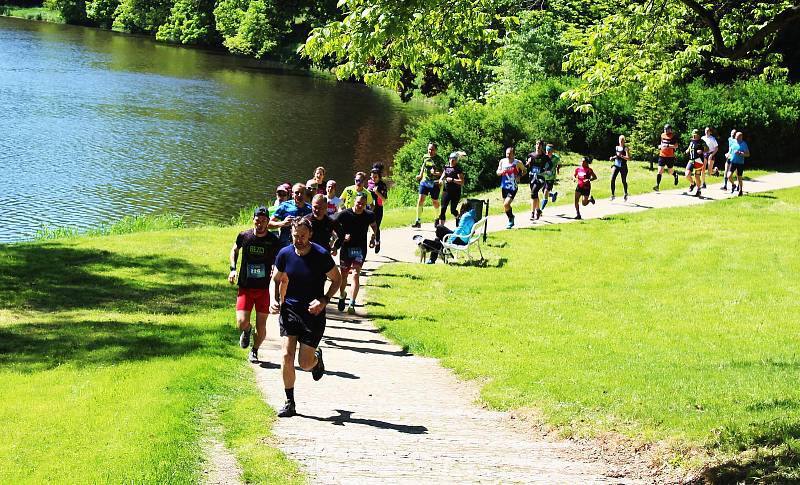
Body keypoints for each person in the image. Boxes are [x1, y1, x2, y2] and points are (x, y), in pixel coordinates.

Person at [271, 218, 342, 418]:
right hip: (290, 310)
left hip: (313, 313)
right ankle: (289, 402)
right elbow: (275, 280)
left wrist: (324, 300)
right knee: (286, 355)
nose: (299, 240)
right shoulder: (284, 254)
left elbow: (337, 279)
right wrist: (274, 299)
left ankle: (316, 360)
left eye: (302, 236)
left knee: (304, 363)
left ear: (310, 234)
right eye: (295, 236)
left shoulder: (321, 255)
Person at [229, 206, 281, 363]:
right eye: (258, 220)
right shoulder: (245, 236)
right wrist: (232, 269)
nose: (260, 223)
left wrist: (275, 267)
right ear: (253, 220)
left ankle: (255, 350)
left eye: (264, 221)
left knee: (262, 327)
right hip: (245, 287)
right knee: (241, 322)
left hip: (264, 289)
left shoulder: (273, 240)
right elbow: (234, 250)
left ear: (268, 222)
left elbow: (279, 259)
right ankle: (246, 331)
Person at [333, 194, 379, 314]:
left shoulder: (369, 215)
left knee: (355, 274)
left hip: (360, 249)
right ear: (354, 201)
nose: (360, 206)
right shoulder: (344, 214)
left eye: (363, 204)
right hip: (346, 249)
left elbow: (374, 226)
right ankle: (342, 295)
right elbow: (333, 227)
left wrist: (374, 237)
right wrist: (341, 236)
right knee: (344, 276)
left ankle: (352, 303)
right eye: (358, 203)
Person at [269, 183, 312, 247]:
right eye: (297, 193)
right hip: (285, 244)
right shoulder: (284, 206)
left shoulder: (310, 209)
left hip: (303, 245)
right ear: (292, 194)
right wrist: (283, 223)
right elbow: (268, 224)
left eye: (302, 193)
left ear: (305, 195)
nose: (299, 195)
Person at [412, 142, 443, 228]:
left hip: (435, 183)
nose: (430, 151)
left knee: (435, 202)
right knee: (420, 200)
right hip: (424, 182)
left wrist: (436, 173)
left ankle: (437, 218)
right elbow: (423, 166)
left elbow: (443, 173)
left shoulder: (439, 160)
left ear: (436, 150)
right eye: (429, 149)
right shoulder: (425, 157)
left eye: (432, 149)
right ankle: (418, 221)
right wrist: (420, 175)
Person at [496, 147, 526, 229]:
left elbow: (525, 170)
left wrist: (519, 176)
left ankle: (510, 220)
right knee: (505, 206)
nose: (508, 155)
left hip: (513, 187)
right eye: (507, 153)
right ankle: (511, 217)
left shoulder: (517, 163)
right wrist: (501, 172)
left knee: (506, 204)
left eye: (510, 154)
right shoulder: (502, 161)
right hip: (504, 186)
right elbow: (497, 172)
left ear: (514, 154)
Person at [438, 151, 465, 224]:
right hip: (446, 190)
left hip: (455, 192)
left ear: (456, 160)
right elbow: (444, 174)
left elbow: (462, 182)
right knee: (443, 208)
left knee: (453, 210)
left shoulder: (458, 169)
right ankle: (441, 228)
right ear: (449, 159)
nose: (452, 161)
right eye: (451, 159)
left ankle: (458, 217)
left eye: (454, 159)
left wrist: (452, 180)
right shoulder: (446, 167)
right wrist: (441, 179)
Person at [526, 140, 551, 221]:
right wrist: (528, 163)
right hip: (532, 177)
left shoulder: (545, 156)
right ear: (535, 145)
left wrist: (546, 170)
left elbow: (551, 165)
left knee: (533, 192)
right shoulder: (531, 155)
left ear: (542, 146)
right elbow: (526, 166)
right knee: (534, 194)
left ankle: (532, 213)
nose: (538, 146)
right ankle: (538, 210)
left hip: (541, 177)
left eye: (540, 144)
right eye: (537, 144)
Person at [653, 124, 680, 192]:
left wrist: (668, 145)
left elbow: (676, 146)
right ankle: (657, 185)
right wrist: (659, 146)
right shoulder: (662, 135)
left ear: (670, 130)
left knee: (670, 171)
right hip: (662, 155)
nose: (665, 131)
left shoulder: (673, 136)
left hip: (670, 157)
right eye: (665, 129)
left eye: (667, 129)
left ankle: (675, 175)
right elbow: (660, 143)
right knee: (659, 171)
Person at [685, 129, 707, 197]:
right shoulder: (691, 141)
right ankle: (692, 183)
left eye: (696, 135)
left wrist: (702, 150)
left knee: (697, 176)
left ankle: (698, 190)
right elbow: (690, 147)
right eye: (693, 135)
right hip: (691, 160)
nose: (694, 136)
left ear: (698, 135)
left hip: (699, 161)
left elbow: (707, 149)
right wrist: (687, 150)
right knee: (687, 174)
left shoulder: (701, 142)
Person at [367, 163, 389, 229]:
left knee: (376, 228)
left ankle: (377, 239)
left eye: (375, 177)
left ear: (379, 176)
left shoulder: (382, 185)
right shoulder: (370, 183)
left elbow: (384, 200)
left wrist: (377, 193)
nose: (373, 179)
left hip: (378, 209)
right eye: (372, 177)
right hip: (369, 208)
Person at [728, 131, 750, 196]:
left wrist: (740, 153)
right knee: (728, 176)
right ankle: (733, 185)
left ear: (741, 137)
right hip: (733, 162)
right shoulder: (733, 142)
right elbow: (731, 150)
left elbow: (748, 154)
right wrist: (728, 154)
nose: (736, 138)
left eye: (737, 137)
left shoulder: (744, 144)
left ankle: (740, 190)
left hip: (740, 163)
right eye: (735, 136)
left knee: (739, 177)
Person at [609, 135, 630, 201]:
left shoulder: (625, 148)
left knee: (623, 181)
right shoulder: (617, 147)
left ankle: (626, 193)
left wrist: (621, 156)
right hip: (616, 165)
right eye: (619, 140)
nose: (620, 141)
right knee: (612, 179)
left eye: (622, 140)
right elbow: (617, 156)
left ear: (624, 141)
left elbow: (628, 158)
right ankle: (613, 195)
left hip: (623, 166)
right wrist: (612, 158)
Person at [541, 143, 560, 211]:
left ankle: (540, 210)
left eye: (549, 151)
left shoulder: (556, 158)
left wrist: (557, 169)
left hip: (551, 178)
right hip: (543, 177)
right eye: (547, 150)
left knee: (545, 192)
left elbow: (558, 164)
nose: (548, 152)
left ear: (552, 151)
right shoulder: (543, 157)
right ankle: (552, 195)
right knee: (544, 192)